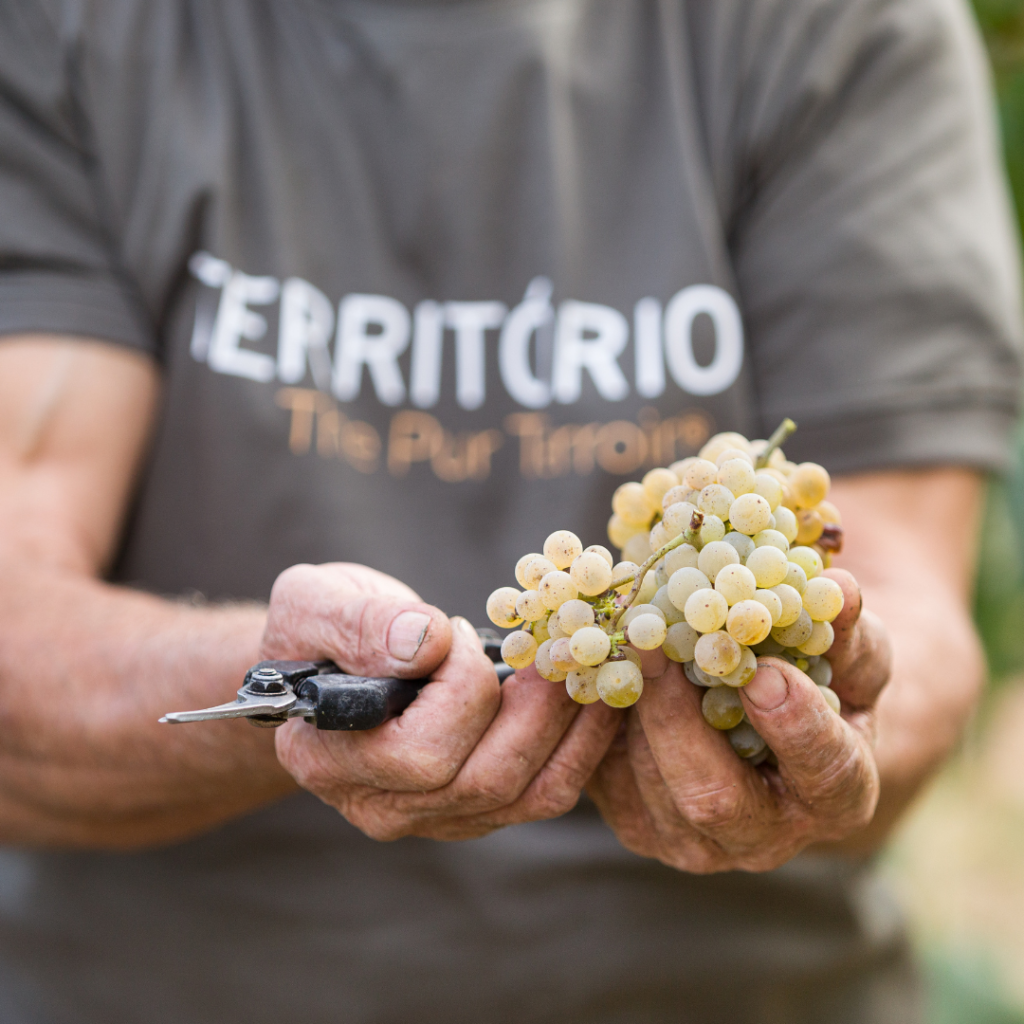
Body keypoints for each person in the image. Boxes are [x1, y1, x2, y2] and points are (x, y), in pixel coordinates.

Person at [0, 0, 1019, 1021]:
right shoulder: (72, 27)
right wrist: (285, 688)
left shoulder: (837, 27)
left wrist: (820, 720)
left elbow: (911, 606)